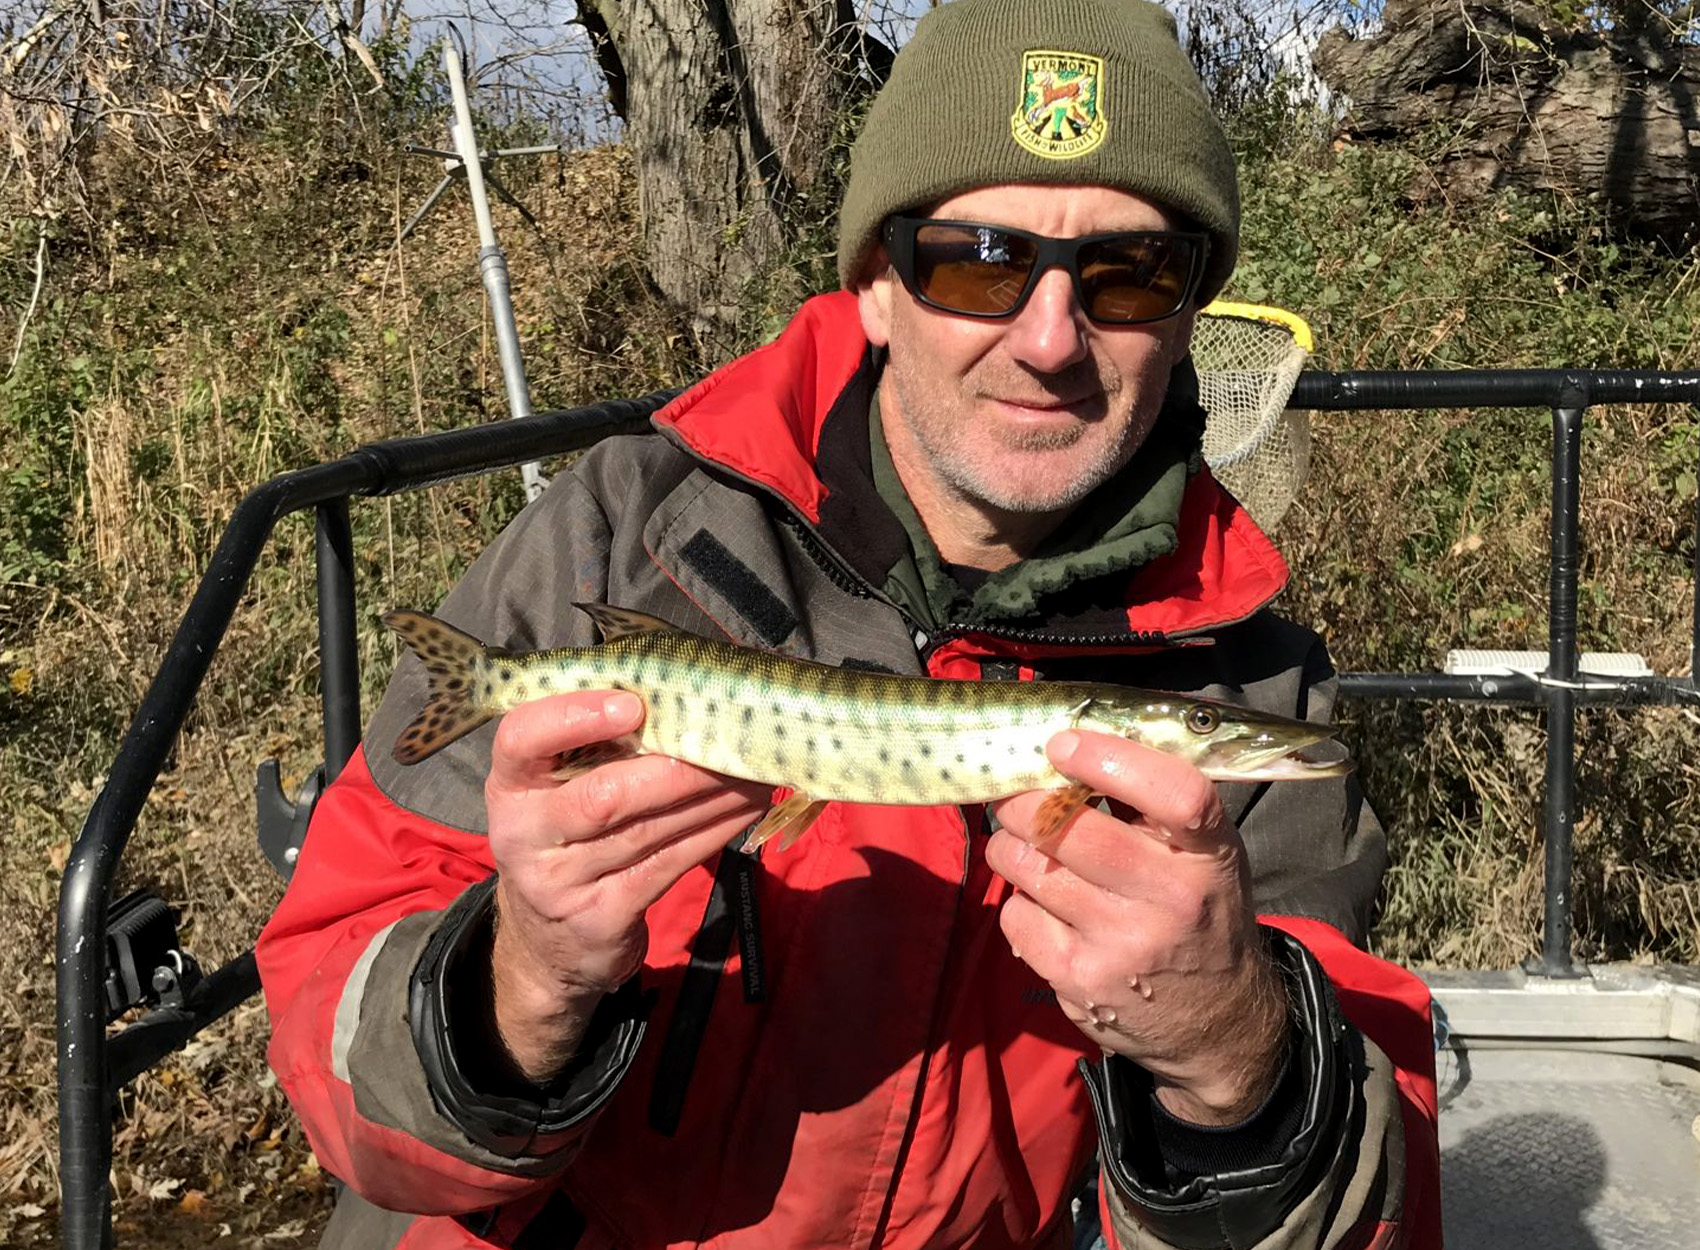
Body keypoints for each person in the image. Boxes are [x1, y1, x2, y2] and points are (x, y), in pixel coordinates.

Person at [257, 2, 1441, 1247]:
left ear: (1189, 309)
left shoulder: (1249, 680)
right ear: (877, 284)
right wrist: (521, 978)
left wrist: (1236, 1059)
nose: (1049, 340)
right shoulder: (618, 527)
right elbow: (334, 1053)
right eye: (978, 260)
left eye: (1128, 272)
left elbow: (1375, 1207)